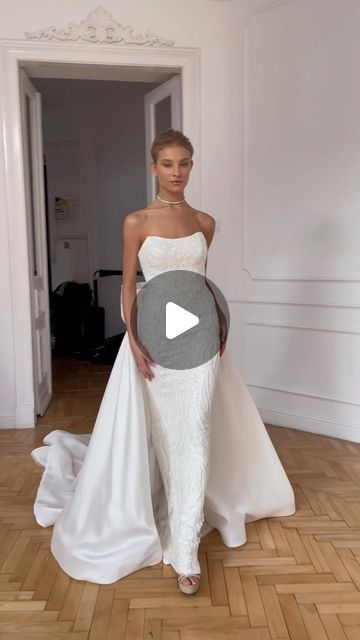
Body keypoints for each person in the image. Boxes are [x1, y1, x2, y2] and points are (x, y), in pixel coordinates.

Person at [31, 128, 296, 595]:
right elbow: (130, 286)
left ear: (192, 166)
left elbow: (199, 289)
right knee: (162, 432)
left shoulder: (206, 222)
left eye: (185, 163)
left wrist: (218, 329)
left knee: (192, 432)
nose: (177, 172)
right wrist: (131, 340)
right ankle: (161, 501)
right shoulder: (136, 221)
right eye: (168, 164)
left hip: (198, 343)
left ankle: (186, 549)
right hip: (153, 340)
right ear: (154, 168)